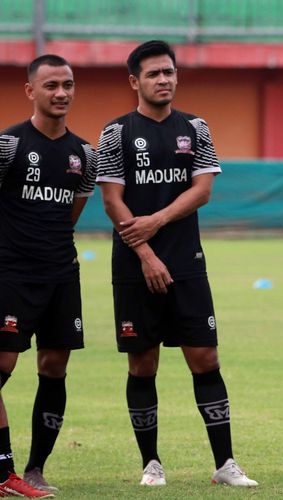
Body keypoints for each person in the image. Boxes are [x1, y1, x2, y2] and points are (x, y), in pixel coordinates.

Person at [96, 40, 256, 488]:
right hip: (133, 265)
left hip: (186, 260)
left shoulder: (196, 128)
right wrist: (145, 252)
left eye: (169, 72)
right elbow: (112, 200)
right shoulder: (115, 133)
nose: (163, 80)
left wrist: (159, 221)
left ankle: (225, 464)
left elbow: (202, 190)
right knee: (142, 364)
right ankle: (151, 464)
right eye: (153, 74)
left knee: (205, 358)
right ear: (135, 82)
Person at [0, 54, 96, 498]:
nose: (61, 93)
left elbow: (70, 213)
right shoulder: (9, 145)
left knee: (54, 366)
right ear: (31, 91)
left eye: (68, 84)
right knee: (1, 365)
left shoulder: (84, 155)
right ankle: (4, 470)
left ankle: (35, 470)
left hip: (61, 275)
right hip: (12, 275)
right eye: (52, 85)